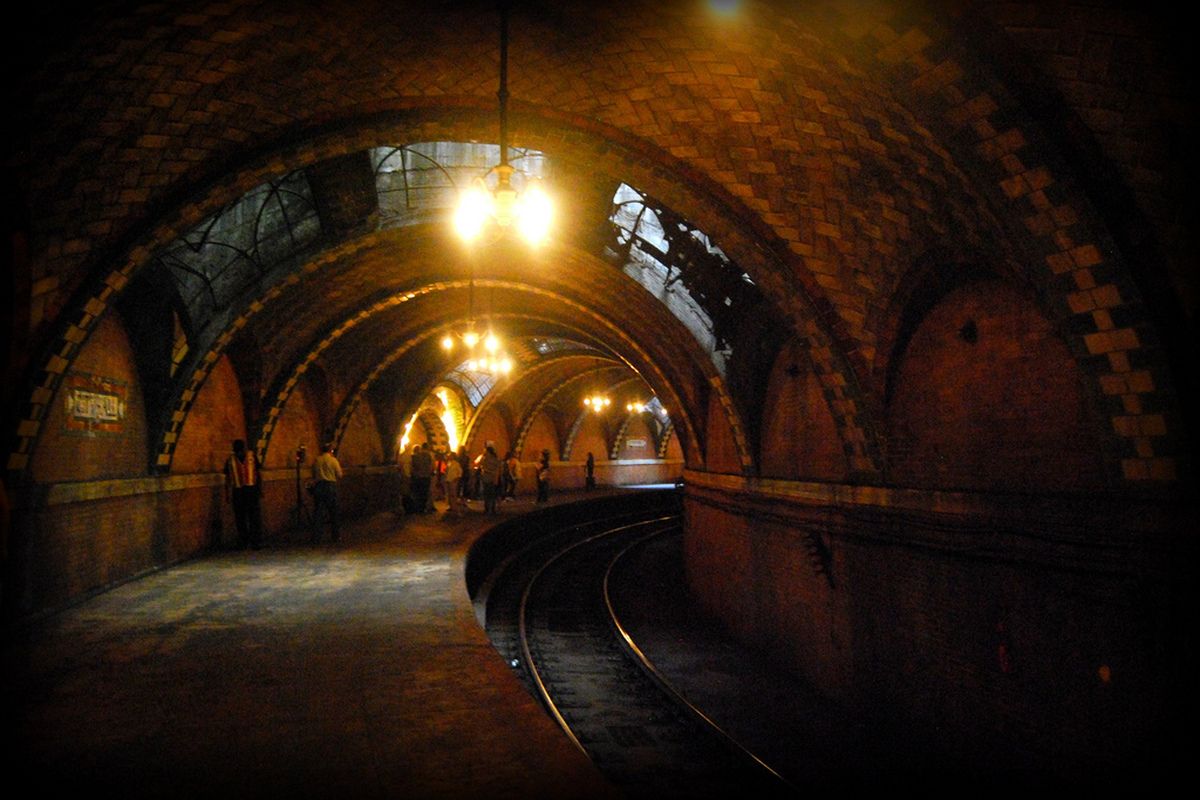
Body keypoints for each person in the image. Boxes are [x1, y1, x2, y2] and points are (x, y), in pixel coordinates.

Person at [224, 439, 263, 549]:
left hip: (251, 489)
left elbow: (258, 473)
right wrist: (227, 493)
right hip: (238, 490)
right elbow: (227, 477)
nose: (239, 453)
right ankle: (244, 541)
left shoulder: (251, 457)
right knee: (240, 517)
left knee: (253, 517)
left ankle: (255, 541)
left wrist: (260, 489)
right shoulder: (230, 460)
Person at [310, 441, 343, 543]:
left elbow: (313, 473)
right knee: (334, 512)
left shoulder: (317, 460)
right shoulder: (333, 460)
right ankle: (335, 536)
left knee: (318, 512)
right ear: (331, 450)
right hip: (330, 486)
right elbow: (339, 474)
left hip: (319, 487)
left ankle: (317, 537)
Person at [410, 441, 433, 514]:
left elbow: (413, 466)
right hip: (426, 477)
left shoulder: (415, 456)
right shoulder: (429, 456)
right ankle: (422, 509)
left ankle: (417, 508)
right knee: (424, 493)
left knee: (417, 493)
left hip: (418, 477)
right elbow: (431, 466)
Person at [479, 443, 503, 515]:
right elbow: (499, 469)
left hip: (489, 478)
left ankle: (488, 509)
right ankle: (491, 509)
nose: (484, 452)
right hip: (489, 479)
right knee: (490, 494)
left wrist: (488, 471)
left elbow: (497, 469)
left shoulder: (487, 459)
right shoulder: (494, 459)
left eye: (485, 451)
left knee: (488, 494)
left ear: (488, 452)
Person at [396, 443, 413, 515]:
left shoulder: (402, 455)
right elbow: (404, 466)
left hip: (405, 474)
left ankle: (405, 507)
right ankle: (406, 508)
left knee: (405, 491)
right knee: (406, 491)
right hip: (406, 475)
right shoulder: (408, 456)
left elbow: (400, 465)